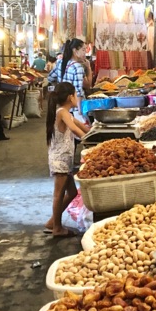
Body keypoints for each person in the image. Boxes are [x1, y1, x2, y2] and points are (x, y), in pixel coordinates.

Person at [45, 82, 90, 237]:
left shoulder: (67, 114)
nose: (77, 97)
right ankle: (57, 228)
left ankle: (52, 221)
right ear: (70, 97)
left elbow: (84, 128)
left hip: (65, 160)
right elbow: (74, 128)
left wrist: (95, 135)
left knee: (71, 192)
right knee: (58, 194)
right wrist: (89, 142)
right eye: (76, 94)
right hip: (59, 160)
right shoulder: (62, 112)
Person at [48, 39, 88, 109]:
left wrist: (59, 87)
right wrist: (80, 111)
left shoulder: (60, 62)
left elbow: (50, 78)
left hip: (62, 105)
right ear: (75, 51)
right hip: (74, 108)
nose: (85, 53)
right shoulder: (77, 67)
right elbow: (78, 92)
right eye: (83, 50)